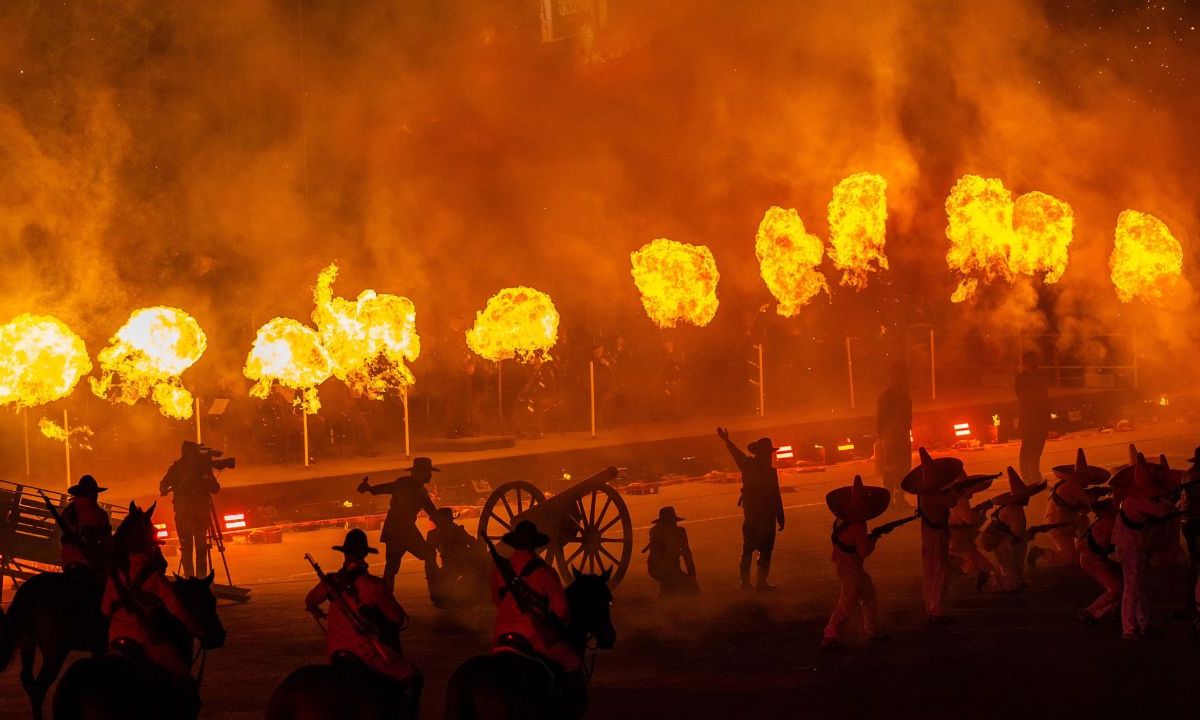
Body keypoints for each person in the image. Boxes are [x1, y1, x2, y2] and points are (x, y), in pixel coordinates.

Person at [305, 528, 422, 716]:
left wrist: (316, 610)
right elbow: (398, 619)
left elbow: (310, 600)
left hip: (336, 653)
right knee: (413, 677)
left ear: (345, 554)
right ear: (365, 554)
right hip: (366, 655)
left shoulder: (331, 582)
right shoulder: (374, 586)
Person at [103, 501, 202, 717]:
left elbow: (104, 610)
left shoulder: (115, 574)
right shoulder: (154, 577)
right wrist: (199, 632)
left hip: (115, 639)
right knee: (182, 673)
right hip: (145, 640)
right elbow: (179, 611)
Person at [490, 520, 584, 713]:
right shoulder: (544, 572)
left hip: (500, 636)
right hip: (534, 636)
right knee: (573, 662)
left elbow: (496, 601)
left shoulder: (500, 571)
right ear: (535, 545)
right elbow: (561, 609)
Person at [1111, 453, 1177, 640]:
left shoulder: (1130, 498)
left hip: (1130, 545)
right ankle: (1129, 628)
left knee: (1137, 587)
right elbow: (1162, 511)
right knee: (1132, 588)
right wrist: (1167, 497)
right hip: (1130, 547)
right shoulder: (1137, 500)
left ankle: (1143, 623)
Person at [822, 476, 890, 649]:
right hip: (851, 568)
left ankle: (871, 632)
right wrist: (874, 539)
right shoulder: (859, 524)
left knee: (868, 596)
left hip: (843, 564)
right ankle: (830, 635)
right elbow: (862, 551)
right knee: (847, 602)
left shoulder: (840, 520)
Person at [717, 427, 785, 591]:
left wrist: (780, 515)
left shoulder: (755, 467)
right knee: (753, 549)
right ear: (761, 453)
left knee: (759, 549)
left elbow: (775, 494)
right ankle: (750, 582)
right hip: (758, 515)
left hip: (760, 515)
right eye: (768, 453)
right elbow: (737, 454)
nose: (770, 456)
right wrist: (779, 515)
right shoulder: (756, 467)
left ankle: (751, 582)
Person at [358, 458, 440, 593]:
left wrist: (370, 489)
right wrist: (445, 522)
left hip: (393, 528)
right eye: (428, 472)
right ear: (421, 473)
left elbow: (387, 487)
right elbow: (432, 511)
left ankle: (385, 597)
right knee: (428, 554)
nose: (430, 475)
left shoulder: (405, 484)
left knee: (391, 567)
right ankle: (437, 588)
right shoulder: (417, 490)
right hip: (404, 530)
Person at [901, 448, 964, 622]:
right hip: (935, 536)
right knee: (938, 571)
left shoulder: (925, 493)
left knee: (930, 571)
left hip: (930, 536)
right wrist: (958, 492)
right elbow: (950, 502)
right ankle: (936, 609)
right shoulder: (930, 494)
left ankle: (931, 606)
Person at [1029, 449, 1110, 569]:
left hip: (1067, 523)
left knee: (1083, 521)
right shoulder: (1073, 487)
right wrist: (1097, 495)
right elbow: (1090, 503)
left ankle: (1081, 549)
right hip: (1057, 526)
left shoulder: (1067, 484)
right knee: (1068, 560)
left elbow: (1083, 509)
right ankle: (1040, 552)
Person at [160, 441, 221, 578]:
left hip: (192, 515)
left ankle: (193, 577)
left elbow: (163, 484)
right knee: (198, 547)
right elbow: (215, 488)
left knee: (191, 548)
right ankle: (198, 578)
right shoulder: (189, 468)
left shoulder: (183, 468)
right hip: (190, 515)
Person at [983, 467, 1046, 592]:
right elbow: (1017, 533)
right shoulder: (1015, 510)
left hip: (1002, 542)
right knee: (1011, 576)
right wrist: (1031, 534)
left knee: (1012, 570)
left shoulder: (1008, 507)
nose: (1028, 498)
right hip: (1005, 543)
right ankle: (988, 579)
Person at [426, 507, 488, 608]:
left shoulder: (435, 534)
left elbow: (429, 554)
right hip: (457, 565)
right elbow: (473, 543)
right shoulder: (455, 531)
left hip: (456, 565)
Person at [948, 474, 998, 592]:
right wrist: (981, 511)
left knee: (972, 563)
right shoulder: (961, 500)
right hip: (961, 537)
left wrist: (980, 510)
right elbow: (969, 519)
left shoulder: (955, 498)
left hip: (957, 536)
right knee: (981, 565)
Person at [1076, 499, 1121, 624]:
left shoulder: (1103, 521)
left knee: (1120, 582)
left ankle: (1112, 610)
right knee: (1115, 589)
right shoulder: (1109, 523)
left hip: (1093, 557)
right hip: (1091, 559)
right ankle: (1090, 611)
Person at [59, 474, 113, 575]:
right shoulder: (101, 514)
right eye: (95, 493)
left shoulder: (67, 511)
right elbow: (107, 542)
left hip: (68, 563)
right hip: (92, 564)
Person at [876, 361, 913, 506]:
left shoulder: (890, 394)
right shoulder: (896, 394)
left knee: (895, 467)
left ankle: (892, 498)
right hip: (895, 435)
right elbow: (882, 418)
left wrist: (881, 435)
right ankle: (895, 498)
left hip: (895, 435)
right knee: (898, 467)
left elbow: (880, 418)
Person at [643, 506, 699, 596]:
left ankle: (667, 591)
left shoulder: (678, 532)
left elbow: (687, 554)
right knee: (687, 587)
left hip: (667, 567)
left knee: (682, 584)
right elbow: (685, 554)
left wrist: (692, 575)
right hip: (660, 568)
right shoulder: (657, 533)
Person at [1015, 351, 1051, 484]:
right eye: (1032, 361)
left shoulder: (1041, 376)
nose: (1035, 363)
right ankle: (1025, 474)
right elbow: (1022, 399)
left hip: (1041, 419)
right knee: (1027, 447)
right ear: (1026, 363)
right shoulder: (1021, 378)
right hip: (1029, 418)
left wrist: (1048, 416)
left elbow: (1045, 397)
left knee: (1037, 447)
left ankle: (1035, 472)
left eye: (1036, 360)